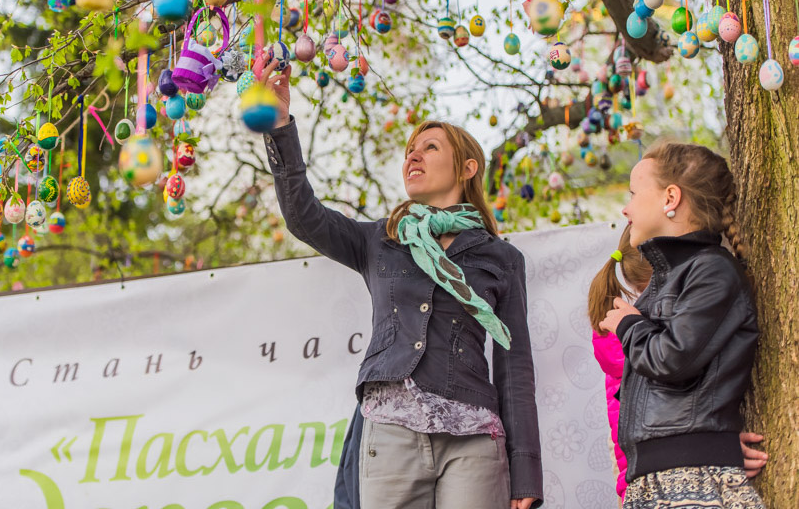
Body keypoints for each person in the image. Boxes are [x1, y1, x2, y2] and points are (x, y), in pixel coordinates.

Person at [256, 58, 542, 509]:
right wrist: (280, 127)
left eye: (429, 147)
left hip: (474, 440)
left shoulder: (501, 258)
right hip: (389, 430)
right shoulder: (380, 239)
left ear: (467, 168)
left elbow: (516, 368)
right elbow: (303, 216)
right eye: (410, 149)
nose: (413, 155)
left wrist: (525, 473)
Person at [599, 142, 766, 509]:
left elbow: (673, 359)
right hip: (656, 478)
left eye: (633, 192)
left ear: (670, 197)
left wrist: (630, 325)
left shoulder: (712, 271)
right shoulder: (666, 280)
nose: (626, 207)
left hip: (690, 481)